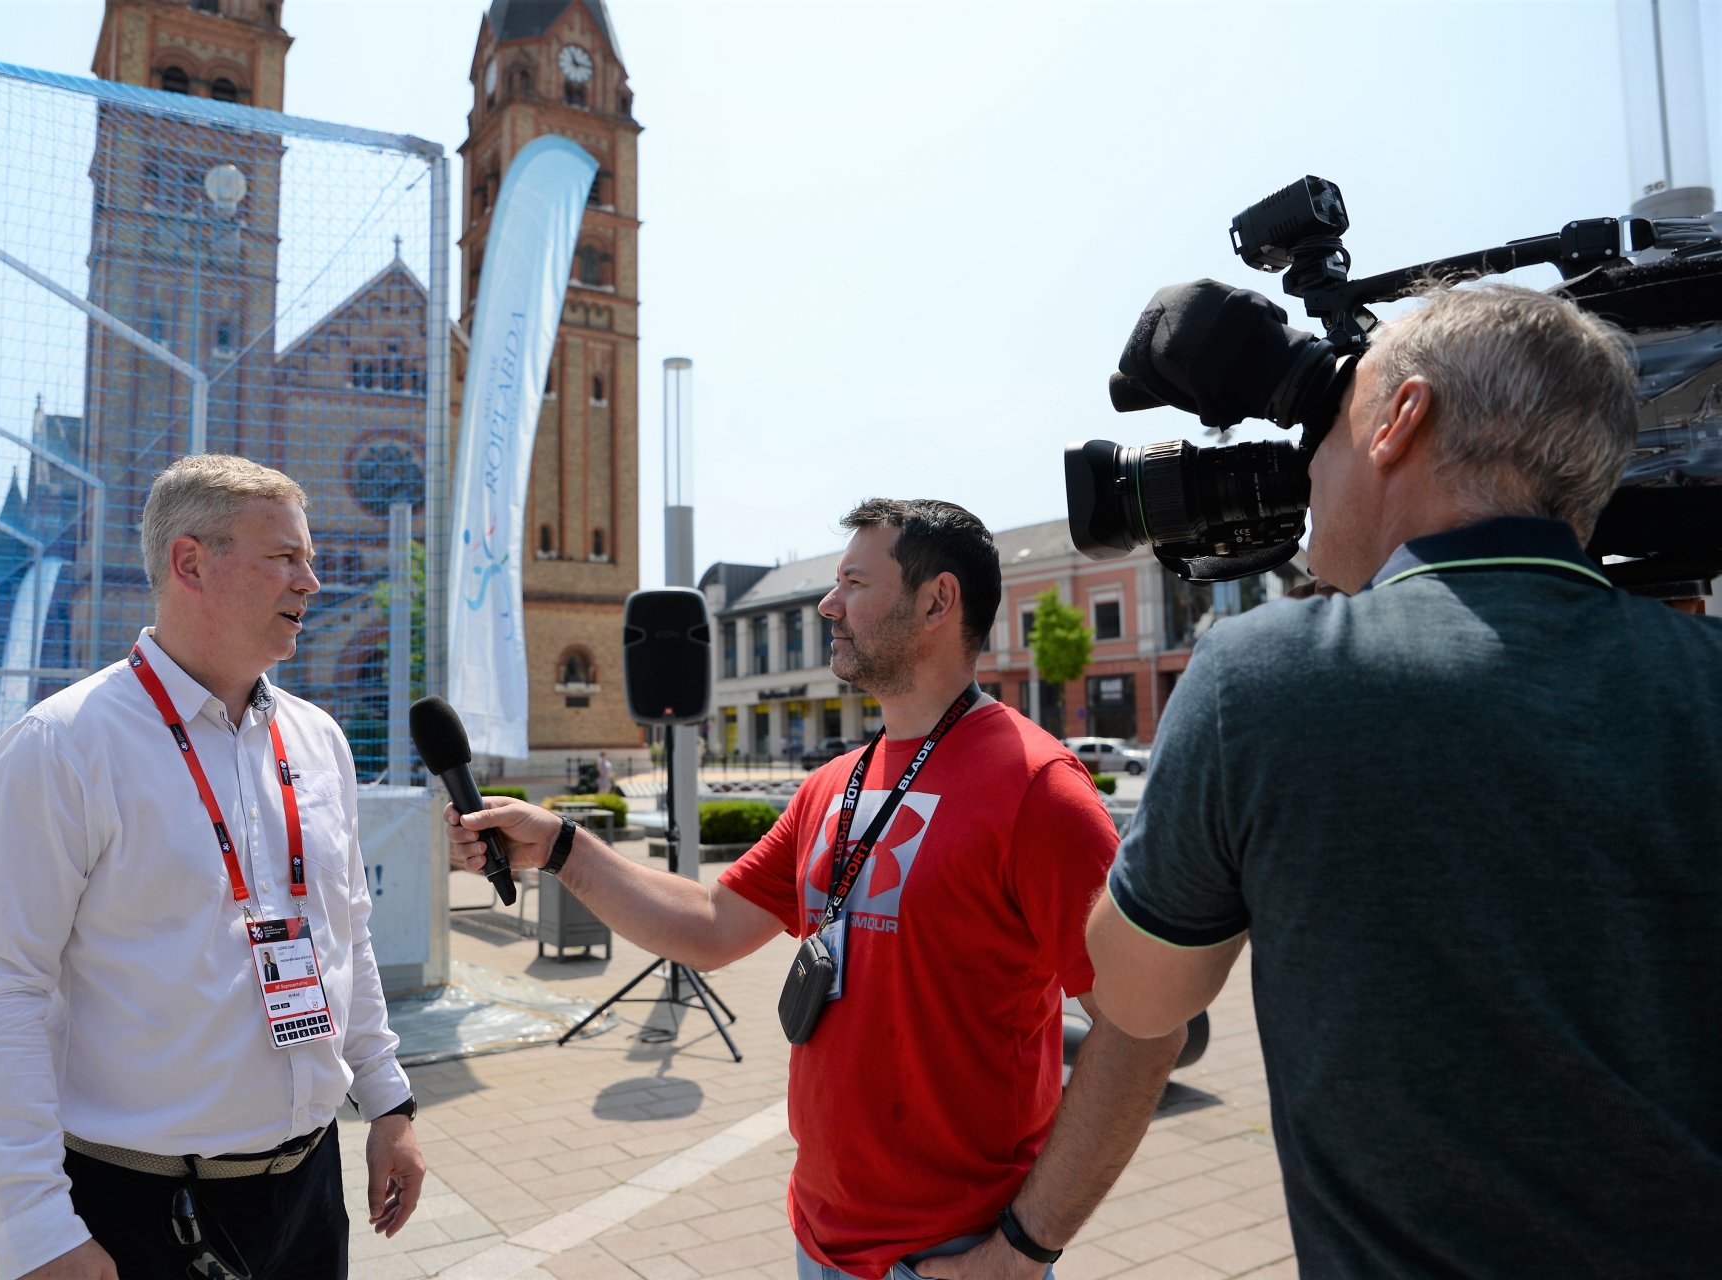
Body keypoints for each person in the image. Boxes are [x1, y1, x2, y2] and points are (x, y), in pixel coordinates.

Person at [1086, 284, 1722, 1278]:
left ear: (1400, 421)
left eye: (1327, 431)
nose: (1310, 473)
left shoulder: (1265, 674)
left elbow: (1135, 989)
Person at [450, 498, 1185, 1278]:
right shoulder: (834, 783)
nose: (829, 605)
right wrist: (564, 847)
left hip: (955, 1253)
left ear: (937, 600)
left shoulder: (1038, 789)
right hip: (819, 1236)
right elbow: (711, 923)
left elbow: (1143, 1029)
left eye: (853, 583)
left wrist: (1022, 1251)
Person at [0, 455, 425, 1280]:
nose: (312, 582)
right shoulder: (62, 747)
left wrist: (388, 1101)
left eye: (307, 559)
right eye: (284, 558)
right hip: (142, 1212)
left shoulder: (317, 739)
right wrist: (33, 1227)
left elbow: (347, 933)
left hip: (310, 1191)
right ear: (190, 562)